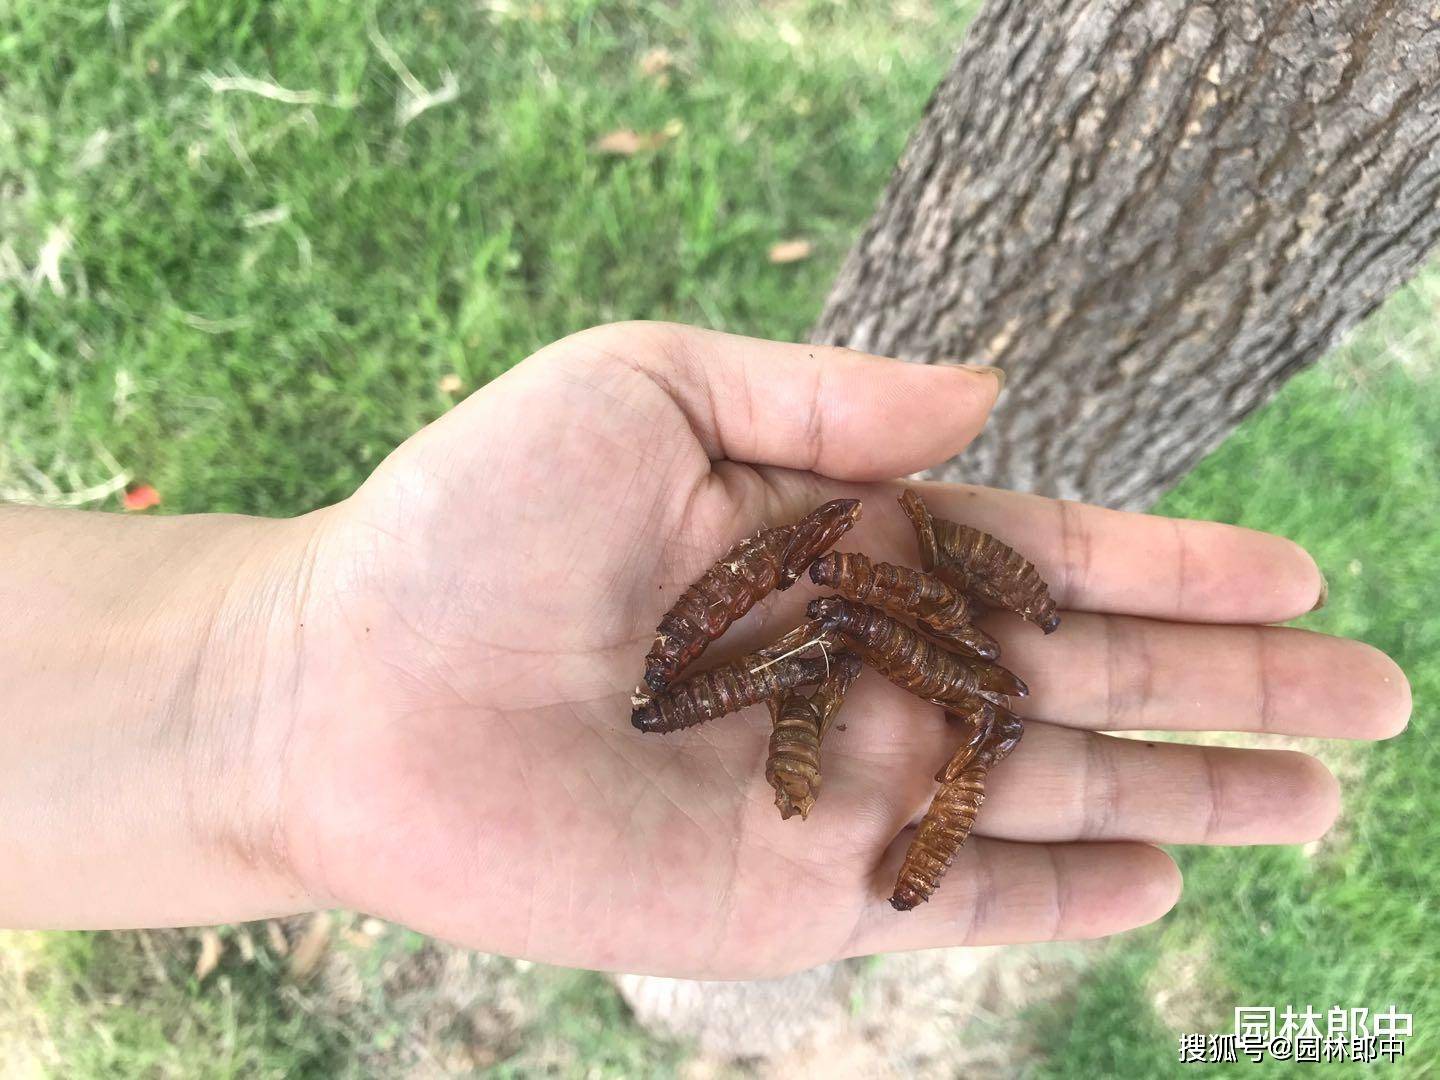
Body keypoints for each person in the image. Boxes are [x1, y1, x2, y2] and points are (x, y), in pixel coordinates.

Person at [0, 323, 1410, 979]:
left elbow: (863, 638)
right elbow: (760, 651)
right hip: (805, 643)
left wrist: (257, 691)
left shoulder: (866, 625)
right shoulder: (753, 638)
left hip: (850, 641)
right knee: (848, 656)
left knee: (886, 660)